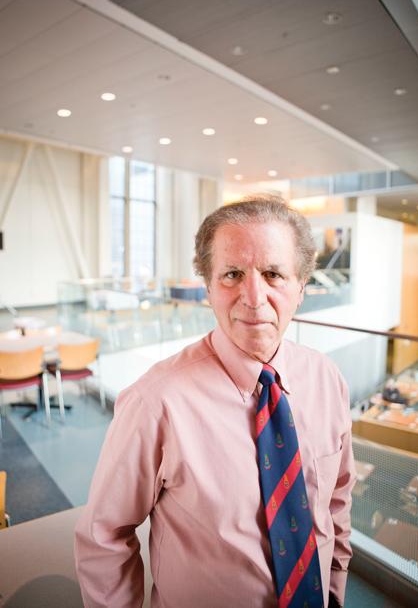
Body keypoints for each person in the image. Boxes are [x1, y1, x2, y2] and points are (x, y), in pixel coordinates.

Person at [75, 195, 356, 608]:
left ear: (301, 289)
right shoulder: (156, 403)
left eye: (274, 274)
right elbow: (104, 537)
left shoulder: (327, 380)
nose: (254, 296)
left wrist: (334, 593)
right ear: (207, 288)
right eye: (232, 274)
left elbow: (336, 504)